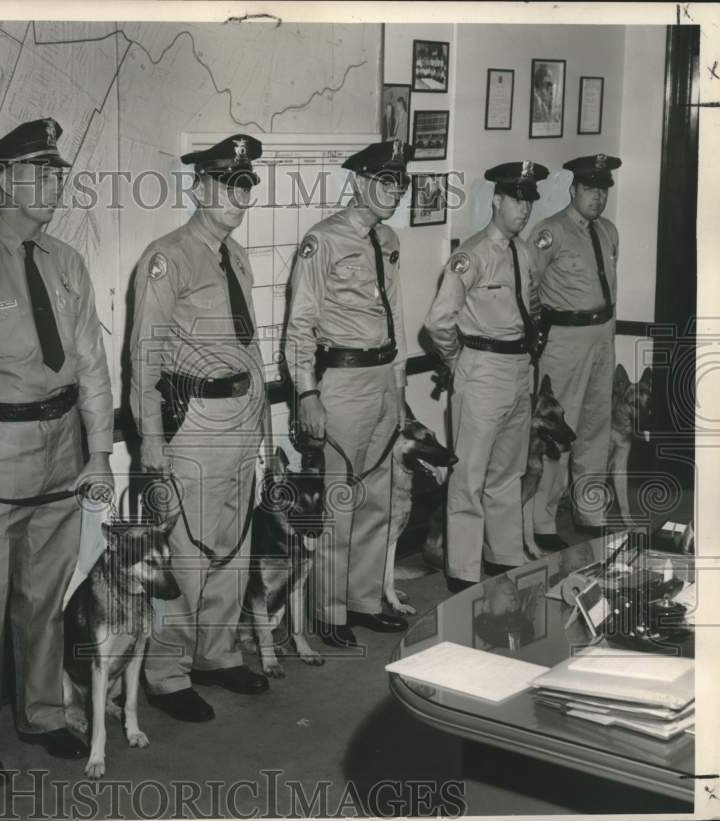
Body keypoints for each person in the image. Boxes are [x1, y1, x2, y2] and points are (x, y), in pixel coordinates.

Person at [0, 118, 114, 784]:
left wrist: (98, 456)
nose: (52, 185)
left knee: (43, 600)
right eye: (38, 173)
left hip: (61, 458)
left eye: (59, 173)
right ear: (6, 179)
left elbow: (92, 365)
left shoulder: (66, 262)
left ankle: (39, 714)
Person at [130, 134, 270, 723]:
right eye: (227, 185)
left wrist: (265, 430)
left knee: (233, 546)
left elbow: (250, 347)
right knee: (185, 551)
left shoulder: (236, 256)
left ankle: (217, 653)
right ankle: (166, 673)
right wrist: (152, 441)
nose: (239, 197)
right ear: (200, 188)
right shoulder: (168, 258)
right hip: (194, 422)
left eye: (245, 186)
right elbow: (144, 356)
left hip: (240, 419)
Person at [284, 140, 413, 648]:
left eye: (400, 184)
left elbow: (397, 320)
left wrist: (399, 391)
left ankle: (362, 600)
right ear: (358, 182)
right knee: (340, 500)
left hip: (382, 379)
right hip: (342, 380)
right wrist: (306, 394)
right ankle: (328, 612)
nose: (395, 193)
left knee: (376, 497)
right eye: (386, 182)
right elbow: (299, 327)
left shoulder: (389, 240)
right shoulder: (323, 241)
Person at [424, 160, 549, 591]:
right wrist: (457, 360)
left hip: (518, 369)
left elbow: (532, 309)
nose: (524, 208)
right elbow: (439, 320)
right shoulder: (471, 255)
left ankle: (504, 555)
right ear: (497, 200)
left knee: (507, 473)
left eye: (529, 200)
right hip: (481, 368)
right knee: (470, 475)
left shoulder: (527, 251)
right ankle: (462, 568)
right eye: (516, 199)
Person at [529, 154, 623, 550]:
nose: (597, 197)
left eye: (602, 189)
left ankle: (589, 510)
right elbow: (527, 284)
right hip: (565, 341)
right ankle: (543, 521)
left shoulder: (608, 232)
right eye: (589, 189)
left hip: (602, 336)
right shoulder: (550, 233)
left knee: (596, 428)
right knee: (558, 434)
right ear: (573, 190)